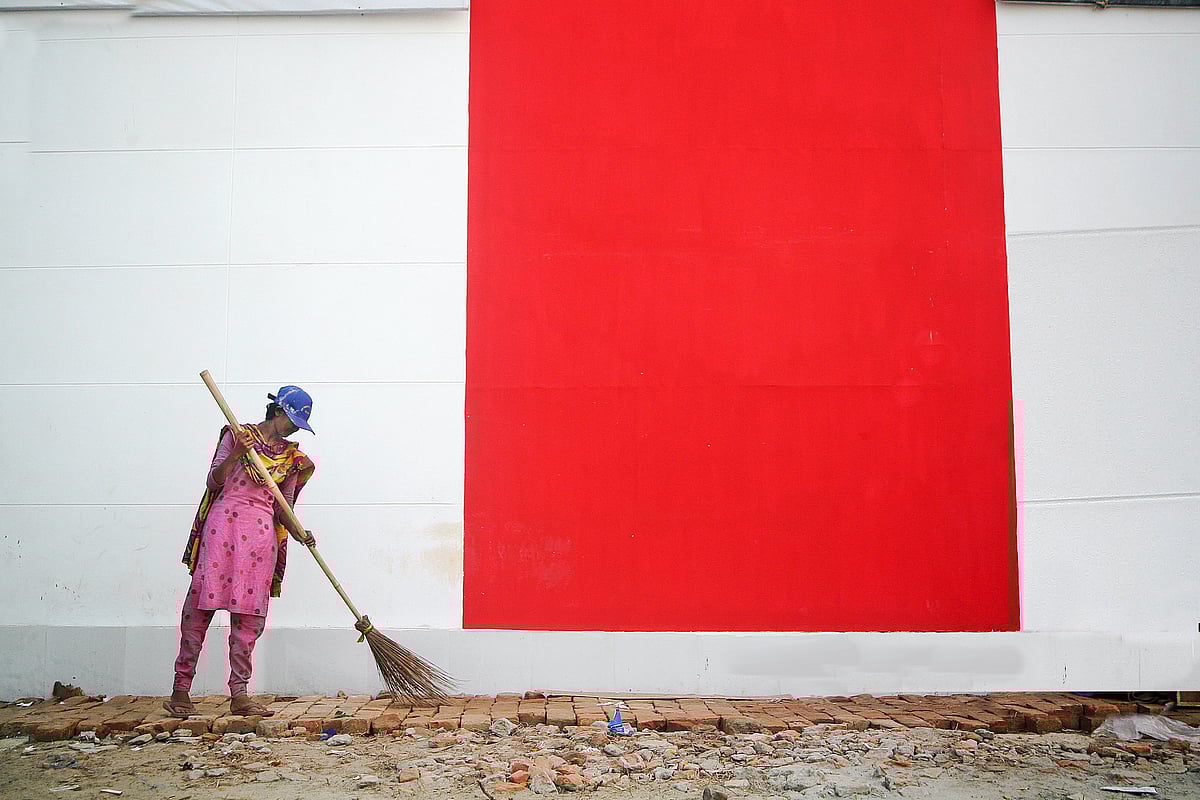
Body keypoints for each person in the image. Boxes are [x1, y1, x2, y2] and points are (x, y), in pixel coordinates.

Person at [164, 386, 317, 718]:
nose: (293, 428)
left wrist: (301, 533)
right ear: (277, 412)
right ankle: (180, 690)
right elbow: (213, 481)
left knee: (249, 618)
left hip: (260, 540)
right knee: (199, 608)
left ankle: (240, 694)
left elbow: (283, 509)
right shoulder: (237, 436)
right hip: (223, 530)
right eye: (292, 420)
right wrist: (237, 453)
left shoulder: (292, 460)